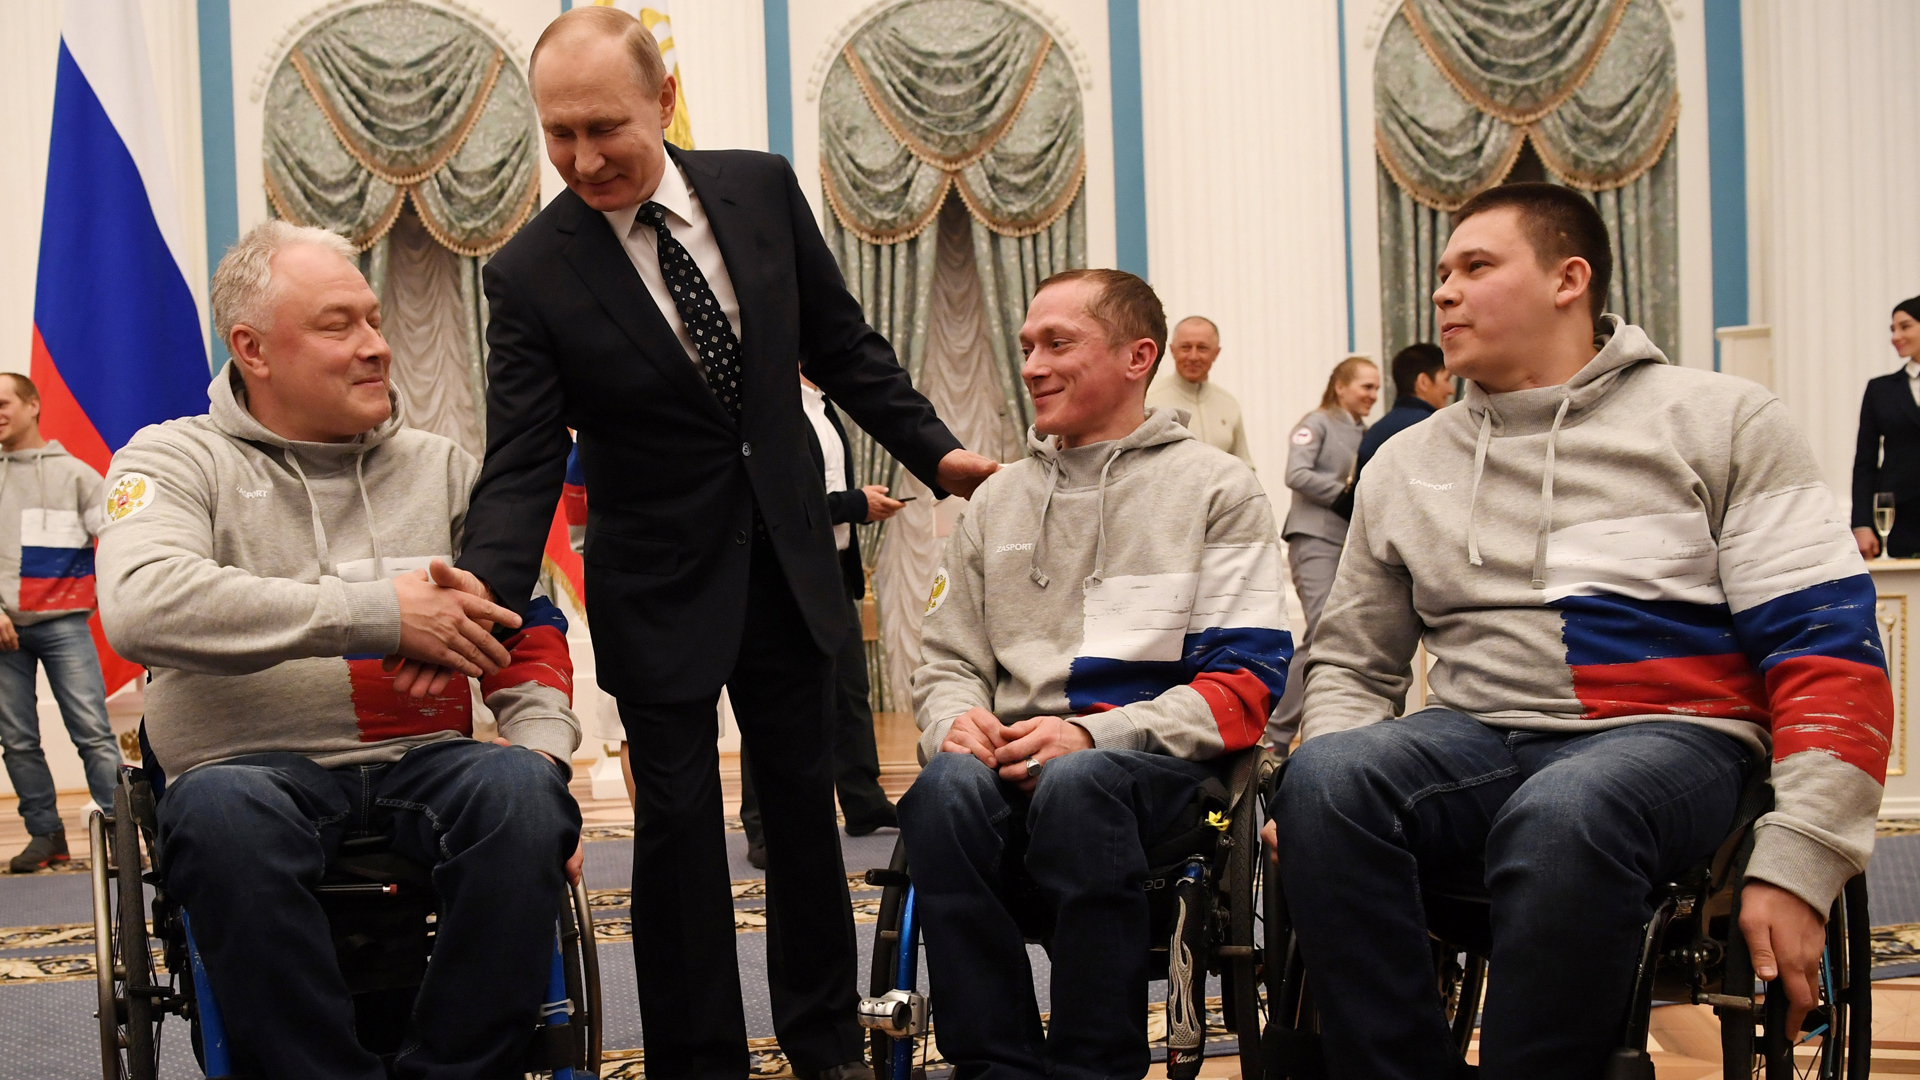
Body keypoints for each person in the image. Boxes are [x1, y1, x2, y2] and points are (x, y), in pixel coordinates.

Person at [446, 11, 999, 1080]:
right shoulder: (530, 272)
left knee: (803, 820)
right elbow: (520, 460)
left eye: (605, 126)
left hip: (789, 560)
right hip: (657, 583)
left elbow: (845, 345)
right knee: (680, 835)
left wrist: (939, 454)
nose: (583, 158)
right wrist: (486, 601)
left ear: (662, 102)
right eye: (557, 134)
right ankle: (698, 1061)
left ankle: (824, 1042)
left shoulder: (758, 186)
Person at [1269, 183, 1891, 1079]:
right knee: (1324, 777)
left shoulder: (1721, 420)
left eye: (1476, 267)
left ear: (1570, 279)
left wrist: (1804, 860)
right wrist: (1325, 758)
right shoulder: (1404, 461)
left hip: (1677, 736)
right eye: (1441, 271)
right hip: (1479, 738)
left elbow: (1826, 650)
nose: (1442, 291)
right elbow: (1355, 666)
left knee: (1565, 812)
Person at [95, 221, 585, 1078]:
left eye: (374, 319)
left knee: (523, 793)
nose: (376, 348)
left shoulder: (442, 468)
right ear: (252, 348)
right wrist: (377, 615)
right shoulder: (173, 460)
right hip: (246, 770)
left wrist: (542, 744)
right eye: (338, 326)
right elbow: (143, 605)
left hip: (426, 762)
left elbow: (526, 624)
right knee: (217, 816)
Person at [899, 269, 1292, 1080]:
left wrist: (1089, 734)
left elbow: (1246, 685)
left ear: (1137, 357)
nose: (1033, 365)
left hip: (1163, 780)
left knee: (1082, 782)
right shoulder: (997, 501)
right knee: (939, 790)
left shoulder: (1219, 490)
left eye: (1058, 343)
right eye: (1027, 347)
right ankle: (996, 1066)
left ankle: (1094, 1067)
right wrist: (953, 721)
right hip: (1012, 766)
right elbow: (946, 662)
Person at [739, 375, 905, 868]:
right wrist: (857, 503)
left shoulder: (825, 404)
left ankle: (862, 802)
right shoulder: (763, 397)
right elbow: (775, 498)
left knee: (851, 692)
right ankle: (762, 827)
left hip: (833, 570)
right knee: (771, 704)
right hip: (783, 576)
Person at [0, 373, 120, 873]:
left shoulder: (77, 475)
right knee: (16, 738)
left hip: (65, 624)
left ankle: (122, 832)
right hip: (4, 630)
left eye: (3, 402)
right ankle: (45, 836)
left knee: (91, 730)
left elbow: (117, 538)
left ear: (33, 405)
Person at [1266, 355, 1378, 747]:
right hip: (1313, 539)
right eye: (1366, 387)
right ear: (1341, 387)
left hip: (1346, 545)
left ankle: (1321, 730)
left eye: (1377, 388)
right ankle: (1274, 735)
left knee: (1337, 635)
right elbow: (1295, 474)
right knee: (1320, 633)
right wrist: (1346, 494)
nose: (1373, 396)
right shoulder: (1315, 424)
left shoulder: (1366, 431)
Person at [1850, 295, 1920, 558]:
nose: (1896, 336)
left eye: (1905, 326)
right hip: (1898, 522)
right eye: (1893, 329)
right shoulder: (1880, 390)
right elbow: (1865, 462)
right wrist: (1862, 524)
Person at [1145, 315, 1254, 467]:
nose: (1193, 356)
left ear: (1216, 353)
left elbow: (1245, 467)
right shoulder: (1148, 401)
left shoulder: (1229, 404)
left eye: (1202, 348)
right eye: (1185, 347)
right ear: (1172, 350)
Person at [1353, 341, 1451, 484]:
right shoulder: (1435, 429)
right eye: (1447, 379)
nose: (1451, 389)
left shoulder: (1374, 432)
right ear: (1423, 382)